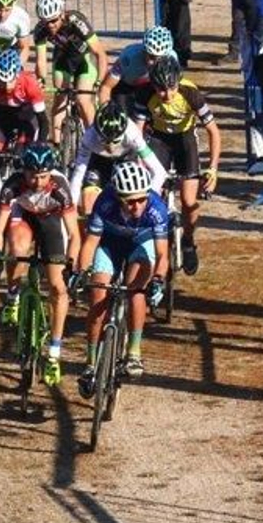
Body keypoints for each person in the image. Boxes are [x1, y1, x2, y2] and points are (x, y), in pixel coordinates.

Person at [0, 143, 79, 385]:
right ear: (23, 171)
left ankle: (54, 353)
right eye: (32, 176)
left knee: (58, 288)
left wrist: (70, 264)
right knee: (17, 250)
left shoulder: (60, 189)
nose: (37, 182)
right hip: (24, 216)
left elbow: (74, 235)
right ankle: (13, 296)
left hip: (51, 221)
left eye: (43, 176)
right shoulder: (13, 186)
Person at [75, 160, 170, 388]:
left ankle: (133, 353)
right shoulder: (105, 202)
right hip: (110, 244)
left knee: (136, 290)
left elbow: (162, 254)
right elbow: (90, 243)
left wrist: (158, 280)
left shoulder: (157, 208)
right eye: (129, 201)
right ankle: (90, 363)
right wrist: (80, 272)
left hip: (141, 243)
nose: (136, 206)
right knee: (97, 297)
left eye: (141, 200)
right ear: (118, 197)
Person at [140, 56, 221, 274]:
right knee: (151, 195)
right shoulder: (145, 93)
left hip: (185, 141)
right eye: (161, 90)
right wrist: (140, 162)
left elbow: (213, 131)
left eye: (172, 88)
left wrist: (213, 169)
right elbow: (137, 132)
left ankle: (188, 241)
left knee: (188, 200)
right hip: (159, 140)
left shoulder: (190, 93)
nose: (167, 95)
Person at [70, 100, 168, 214]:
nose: (111, 147)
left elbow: (159, 172)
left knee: (129, 204)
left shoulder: (132, 134)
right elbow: (78, 174)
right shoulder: (89, 137)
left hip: (126, 159)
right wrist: (72, 205)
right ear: (97, 133)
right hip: (99, 161)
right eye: (105, 141)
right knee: (89, 206)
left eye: (116, 141)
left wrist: (148, 199)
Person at [31, 0, 107, 132]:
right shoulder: (40, 30)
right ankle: (56, 142)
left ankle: (93, 139)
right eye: (46, 22)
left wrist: (99, 82)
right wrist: (41, 80)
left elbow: (100, 53)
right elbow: (40, 61)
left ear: (61, 14)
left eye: (53, 20)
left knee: (83, 100)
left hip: (84, 59)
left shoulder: (76, 21)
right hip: (62, 59)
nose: (50, 25)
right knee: (60, 99)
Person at [0, 49, 46, 153]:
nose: (6, 86)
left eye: (10, 81)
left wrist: (42, 142)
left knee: (23, 153)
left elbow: (43, 120)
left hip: (26, 117)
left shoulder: (29, 83)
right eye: (2, 82)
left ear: (17, 75)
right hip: (3, 117)